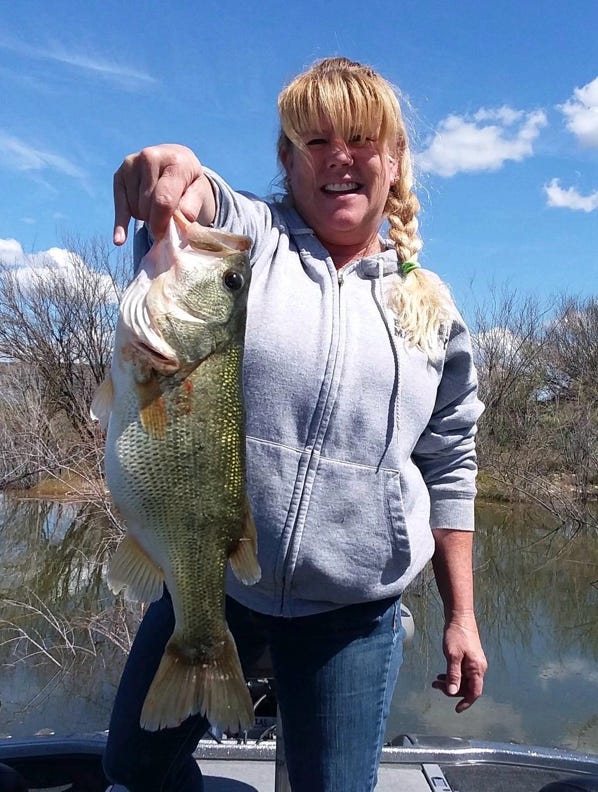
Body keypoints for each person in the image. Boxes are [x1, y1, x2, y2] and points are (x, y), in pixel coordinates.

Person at [103, 56, 488, 792]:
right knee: (133, 767)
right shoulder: (247, 245)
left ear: (397, 159)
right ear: (285, 159)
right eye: (314, 141)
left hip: (352, 615)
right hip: (217, 580)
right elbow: (199, 196)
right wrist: (172, 171)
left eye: (361, 138)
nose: (339, 157)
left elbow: (451, 464)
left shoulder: (434, 311)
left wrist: (461, 616)